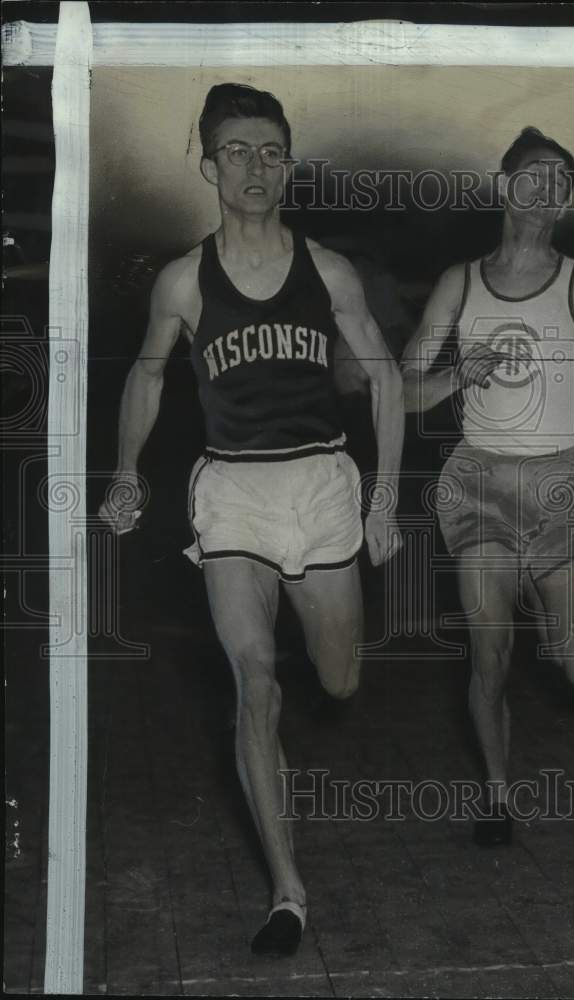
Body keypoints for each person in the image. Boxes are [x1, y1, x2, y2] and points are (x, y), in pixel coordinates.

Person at [100, 83, 403, 955]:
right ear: (206, 165)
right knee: (254, 681)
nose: (256, 167)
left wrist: (383, 500)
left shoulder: (330, 271)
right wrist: (126, 472)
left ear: (289, 163)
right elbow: (149, 377)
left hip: (320, 485)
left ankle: (319, 661)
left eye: (271, 151)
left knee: (339, 678)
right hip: (231, 489)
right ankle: (287, 893)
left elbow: (384, 378)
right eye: (237, 150)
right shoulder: (182, 281)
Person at [400, 127, 574, 846]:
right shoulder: (458, 283)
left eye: (561, 180)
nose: (548, 188)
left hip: (563, 479)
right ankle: (496, 794)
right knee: (489, 656)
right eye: (535, 175)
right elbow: (401, 389)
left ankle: (541, 587)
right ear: (505, 188)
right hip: (479, 483)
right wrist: (449, 378)